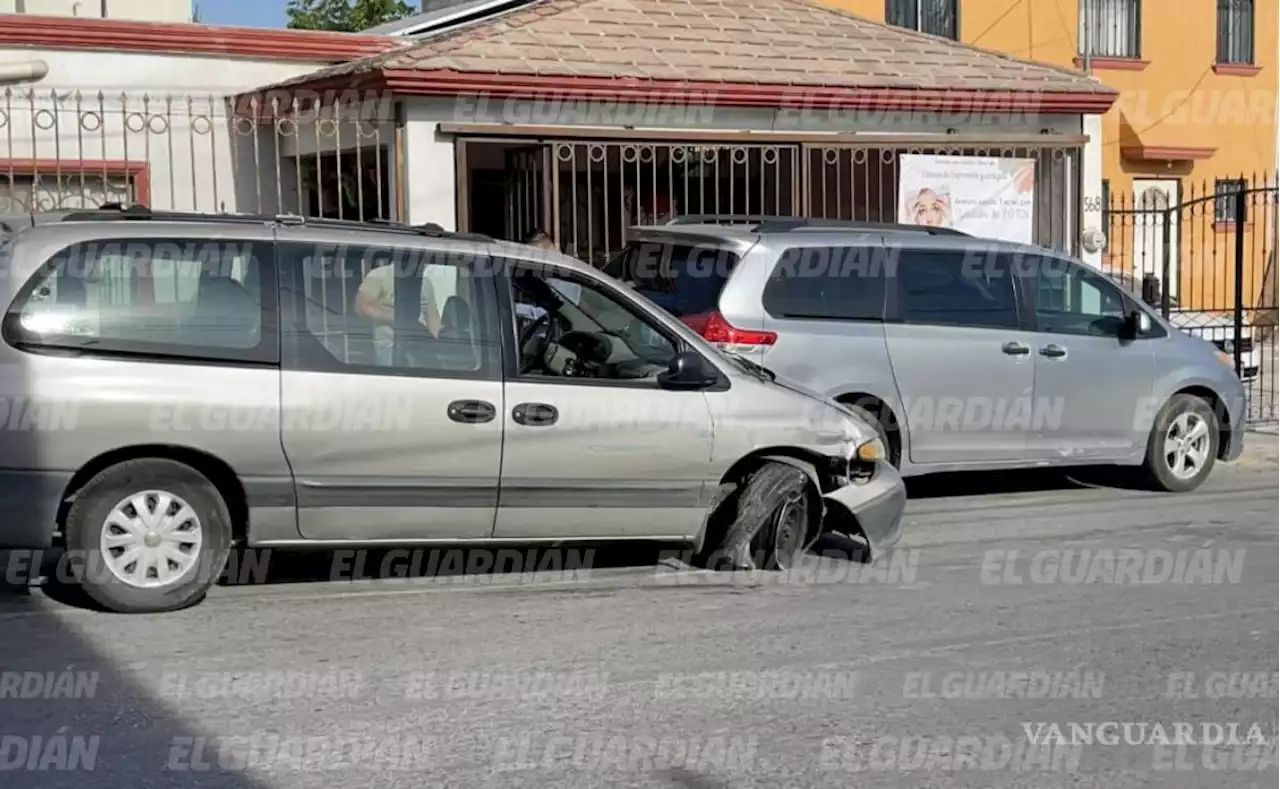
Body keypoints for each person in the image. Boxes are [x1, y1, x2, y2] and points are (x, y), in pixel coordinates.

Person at [354, 261, 441, 367]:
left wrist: (440, 346)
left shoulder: (425, 283)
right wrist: (401, 317)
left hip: (419, 346)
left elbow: (433, 319)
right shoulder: (379, 275)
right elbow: (362, 307)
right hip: (388, 345)